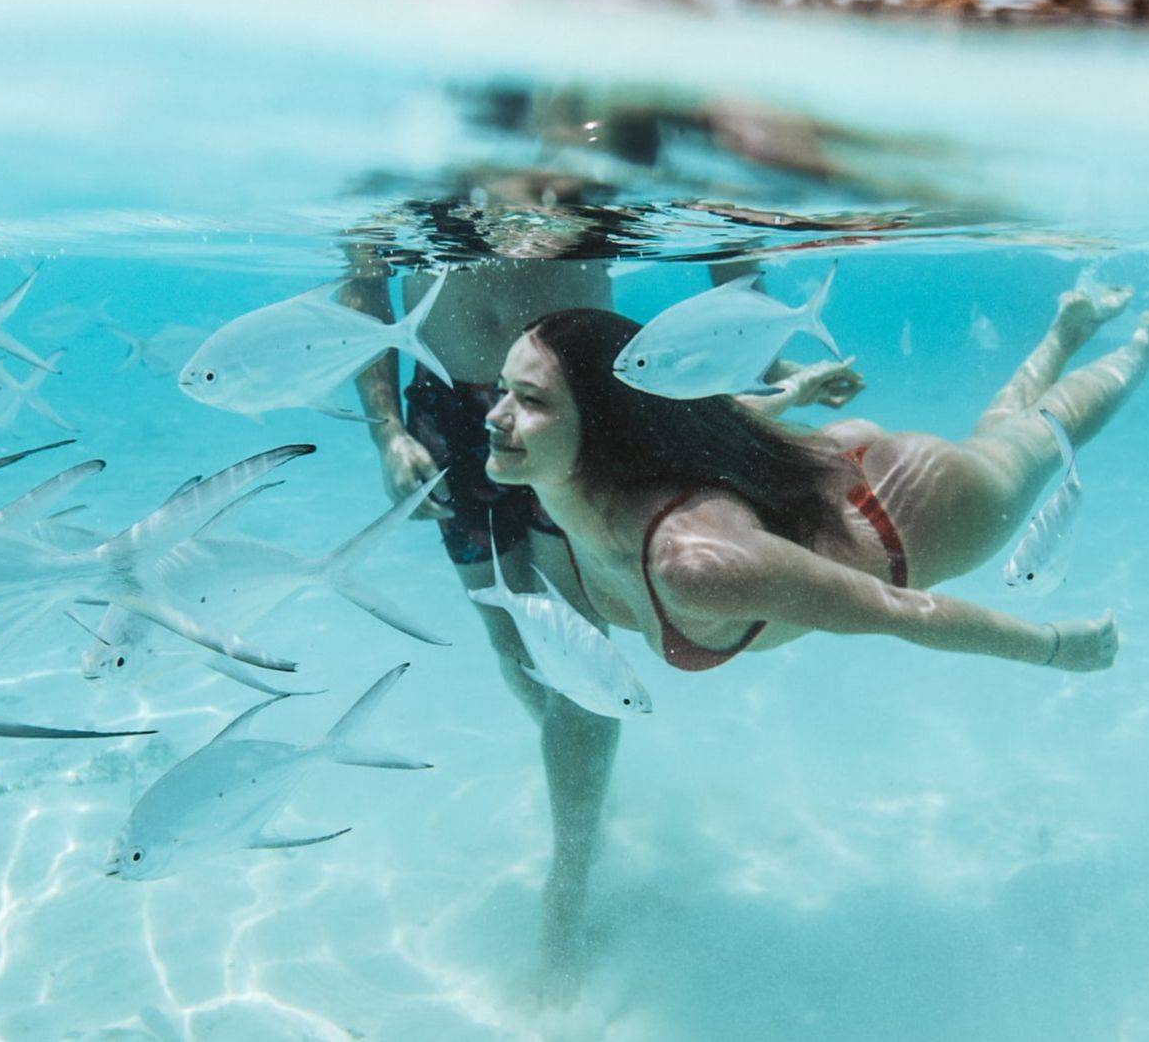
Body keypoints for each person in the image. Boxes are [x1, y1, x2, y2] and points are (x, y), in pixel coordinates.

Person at [338, 178, 859, 998]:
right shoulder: (412, 179)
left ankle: (568, 885)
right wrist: (386, 428)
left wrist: (766, 353)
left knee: (579, 662)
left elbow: (722, 239)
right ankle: (582, 791)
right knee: (512, 648)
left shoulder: (583, 172)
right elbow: (363, 288)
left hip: (579, 415)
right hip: (444, 412)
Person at [482, 285, 1149, 675]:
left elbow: (896, 611)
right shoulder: (581, 491)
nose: (494, 417)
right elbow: (690, 422)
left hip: (912, 512)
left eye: (531, 399)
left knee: (1038, 437)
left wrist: (1055, 647)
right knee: (998, 439)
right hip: (826, 471)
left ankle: (1144, 347)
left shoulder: (694, 566)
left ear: (604, 426)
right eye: (504, 390)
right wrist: (792, 396)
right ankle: (1067, 326)